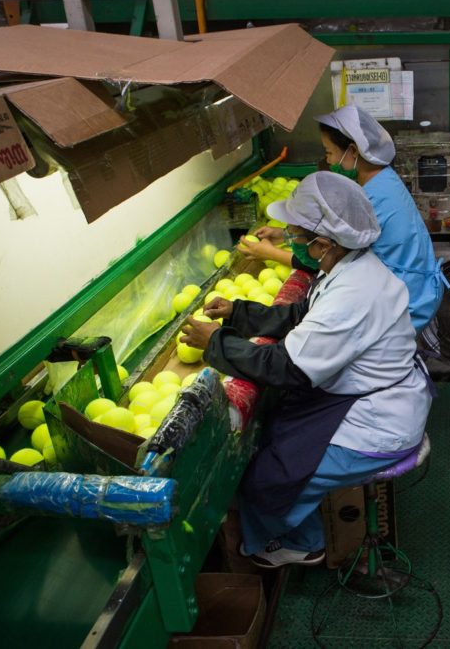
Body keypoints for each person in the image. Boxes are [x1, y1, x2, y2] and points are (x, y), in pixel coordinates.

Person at [180, 171, 433, 568]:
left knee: (267, 478)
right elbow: (301, 314)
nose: (291, 239)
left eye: (297, 234)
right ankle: (304, 533)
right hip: (366, 395)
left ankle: (298, 544)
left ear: (324, 243)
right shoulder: (350, 267)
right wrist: (238, 313)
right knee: (280, 431)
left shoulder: (353, 294)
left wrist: (215, 343)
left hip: (379, 423)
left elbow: (285, 367)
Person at [240, 105, 444, 334]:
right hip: (417, 291)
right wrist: (285, 235)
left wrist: (269, 253)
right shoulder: (383, 179)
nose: (327, 160)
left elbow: (333, 256)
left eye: (329, 152)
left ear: (353, 151)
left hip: (404, 307)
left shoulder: (369, 201)